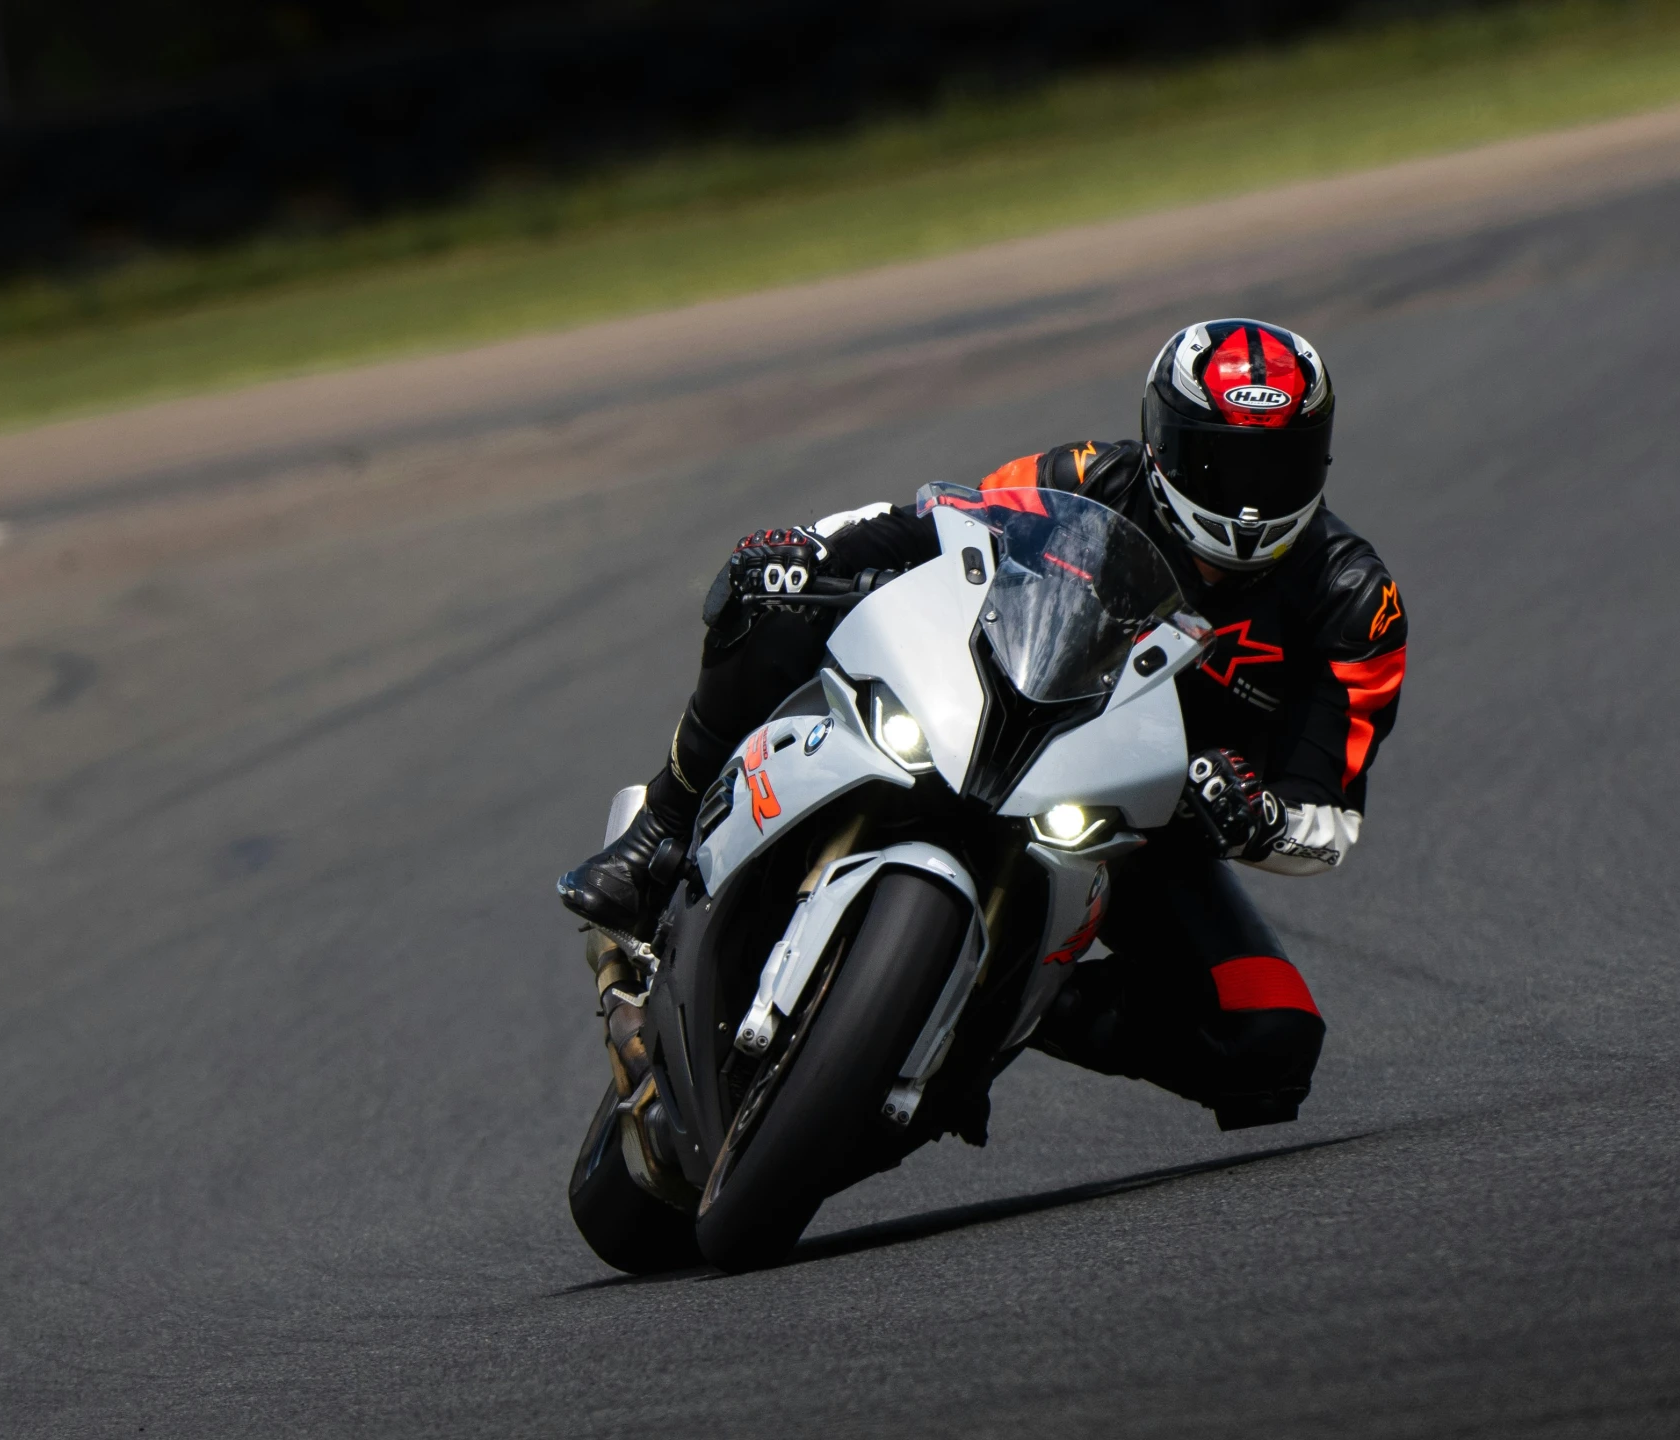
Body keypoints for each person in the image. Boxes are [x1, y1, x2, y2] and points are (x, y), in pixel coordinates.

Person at [559, 318, 1407, 1129]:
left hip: (1145, 832)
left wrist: (1261, 819)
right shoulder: (1082, 476)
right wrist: (813, 548)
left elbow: (1330, 814)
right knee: (777, 604)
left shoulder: (1353, 603)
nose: (1249, 502)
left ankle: (989, 1023)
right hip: (991, 713)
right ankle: (658, 834)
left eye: (1275, 468)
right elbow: (936, 520)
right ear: (1162, 445)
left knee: (1273, 1039)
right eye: (1220, 464)